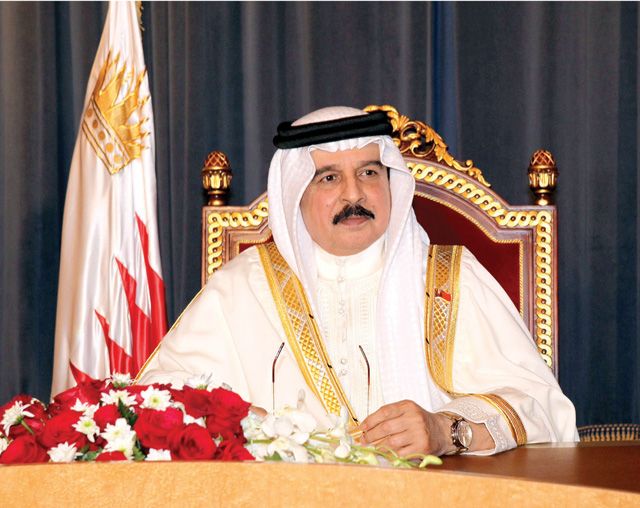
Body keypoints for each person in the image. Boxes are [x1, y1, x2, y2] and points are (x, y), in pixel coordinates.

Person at [138, 106, 577, 456]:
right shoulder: (241, 288)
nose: (354, 194)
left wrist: (446, 430)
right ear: (295, 195)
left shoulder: (449, 278)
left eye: (368, 172)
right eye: (329, 178)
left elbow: (543, 408)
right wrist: (241, 423)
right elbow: (154, 403)